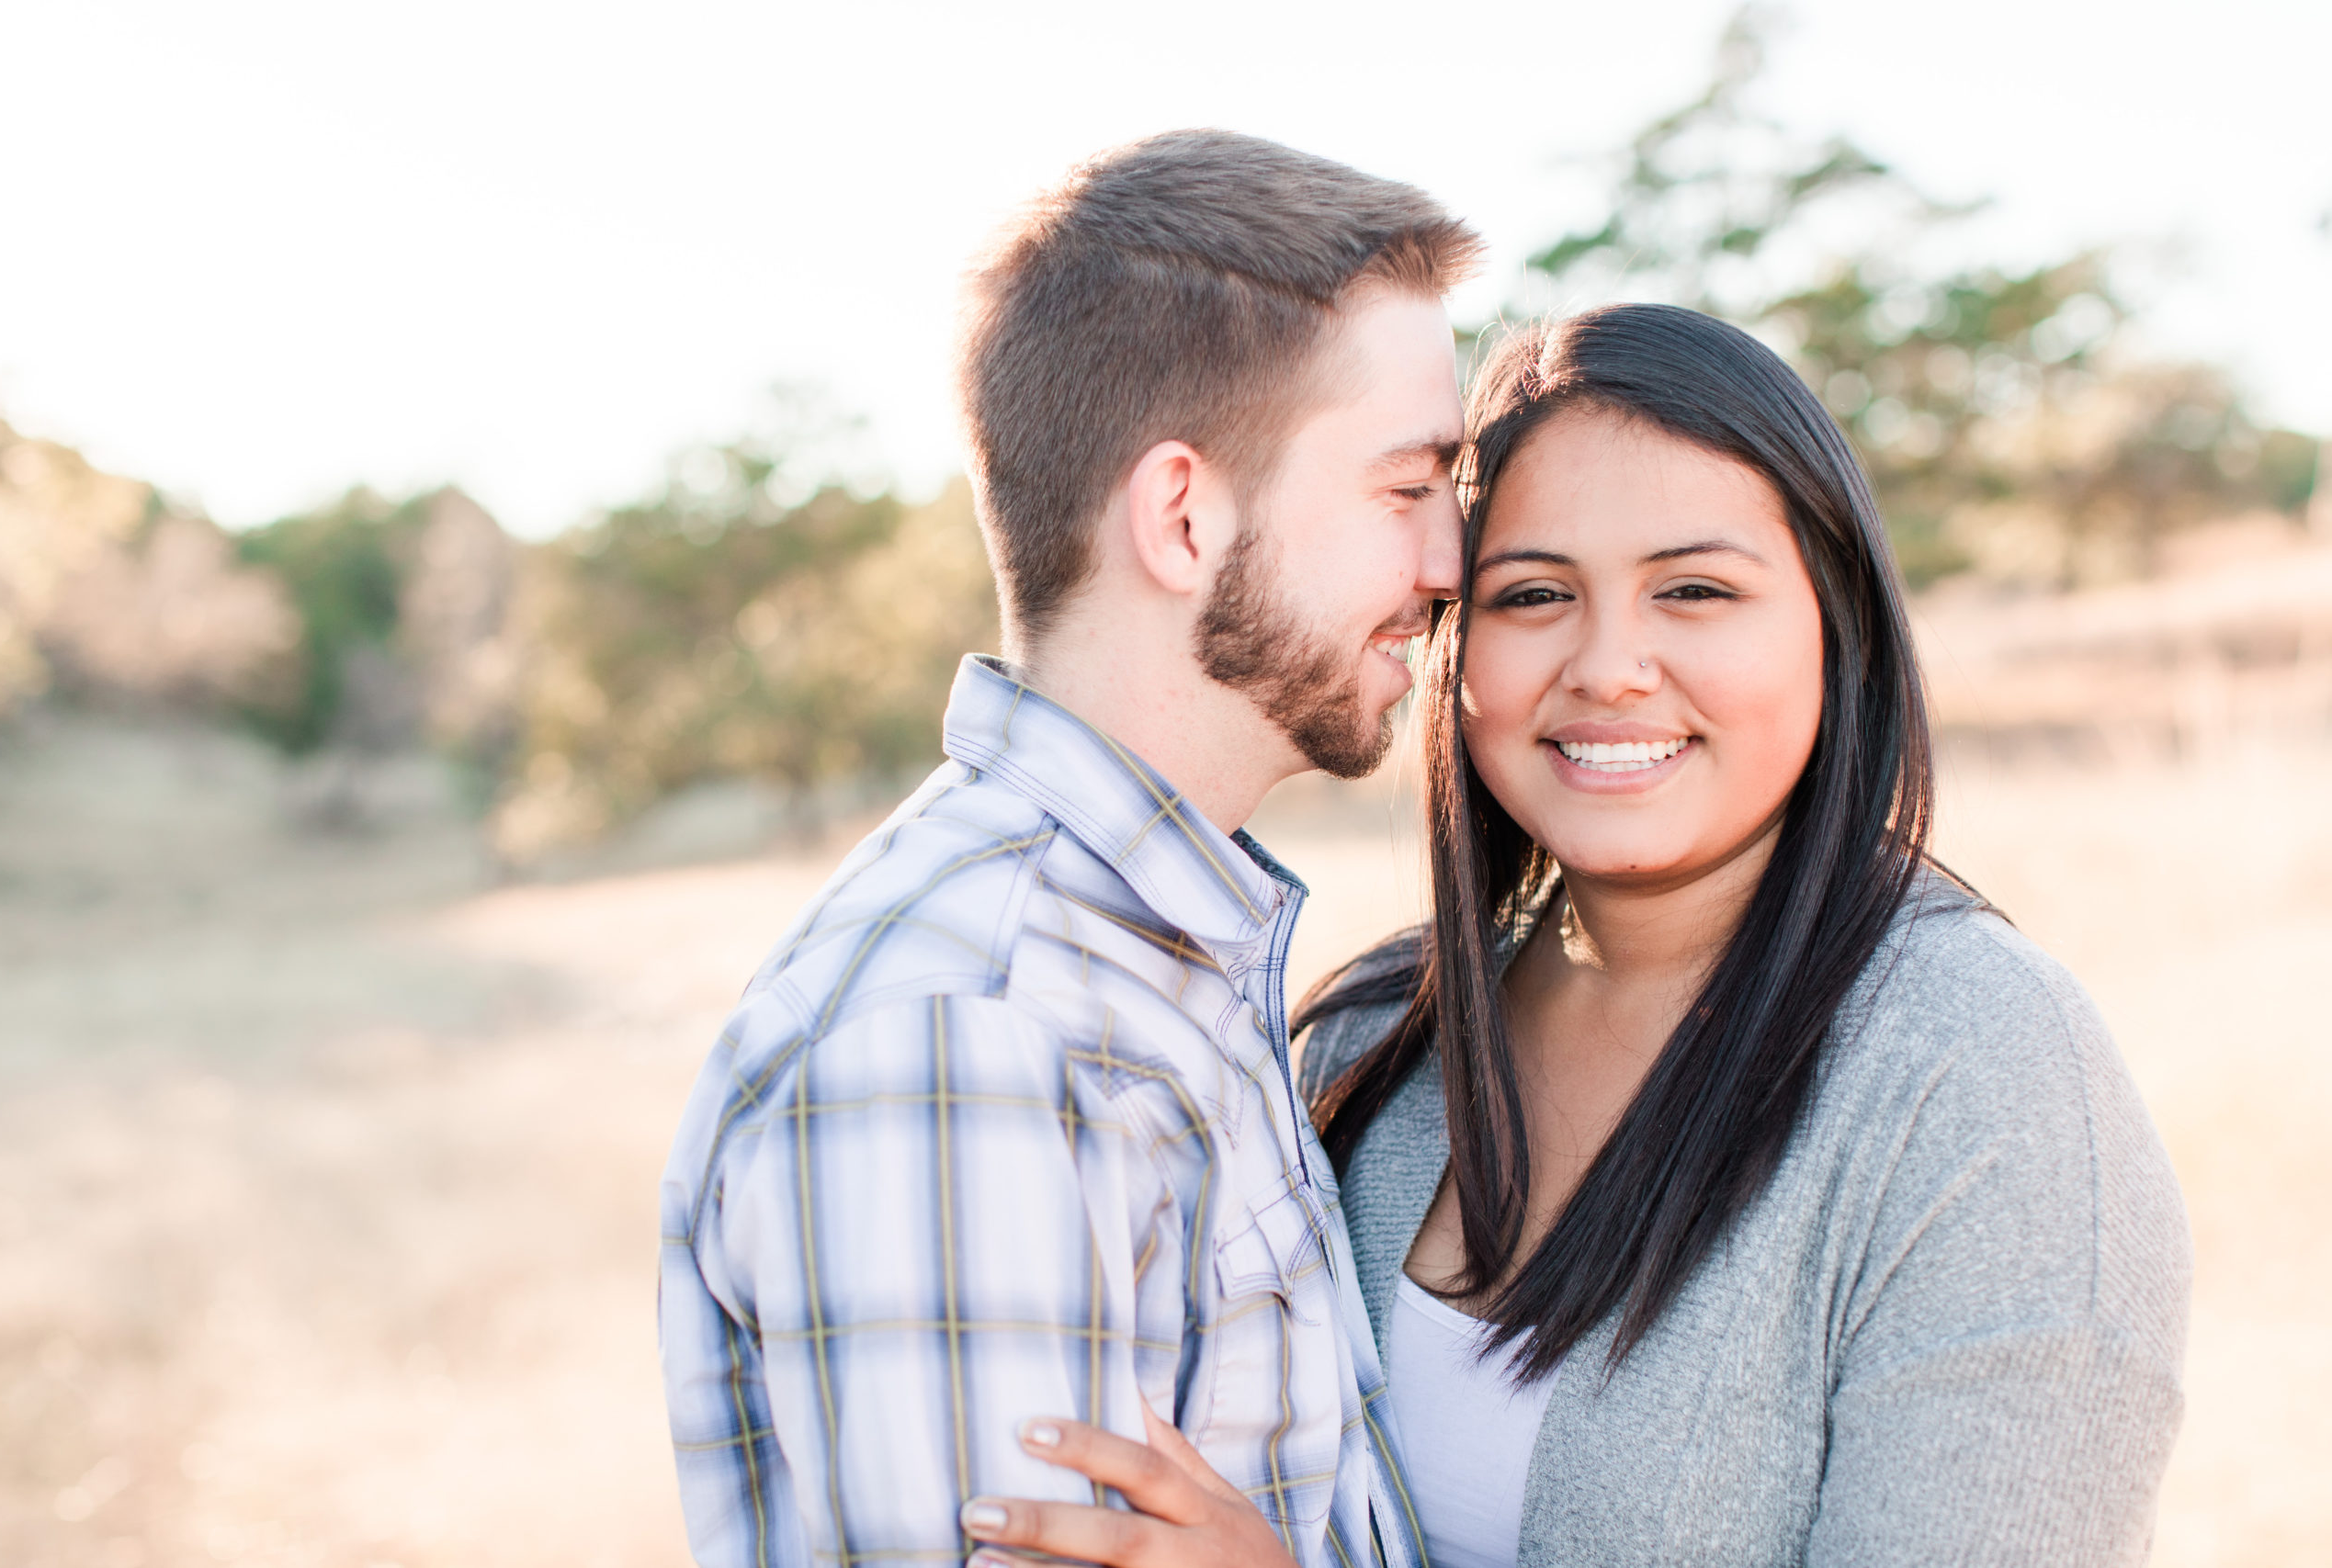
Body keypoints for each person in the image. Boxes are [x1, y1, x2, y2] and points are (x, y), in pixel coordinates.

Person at [959, 303, 2191, 1567]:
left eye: (1696, 590)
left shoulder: (1984, 1084)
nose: (1609, 667)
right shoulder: (1369, 1043)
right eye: (1533, 594)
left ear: (1839, 625)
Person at [656, 129, 1483, 1568]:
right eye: (1407, 490)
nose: (1453, 562)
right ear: (1182, 514)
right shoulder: (967, 1041)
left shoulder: (1146, 963)